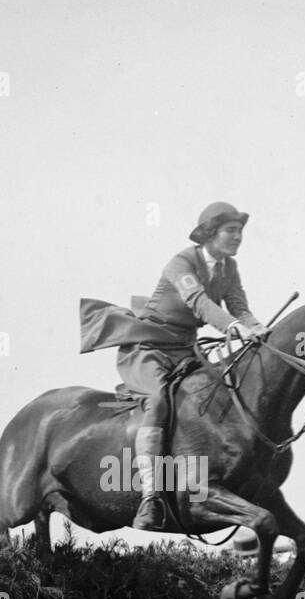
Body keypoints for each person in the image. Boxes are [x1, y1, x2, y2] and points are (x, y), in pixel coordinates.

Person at [79, 201, 267, 530]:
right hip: (148, 347)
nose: (238, 237)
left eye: (240, 232)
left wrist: (258, 327)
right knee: (158, 402)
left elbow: (239, 307)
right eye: (231, 231)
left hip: (185, 349)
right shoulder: (181, 262)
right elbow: (200, 303)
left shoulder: (229, 268)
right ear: (210, 233)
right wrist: (233, 328)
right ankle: (151, 497)